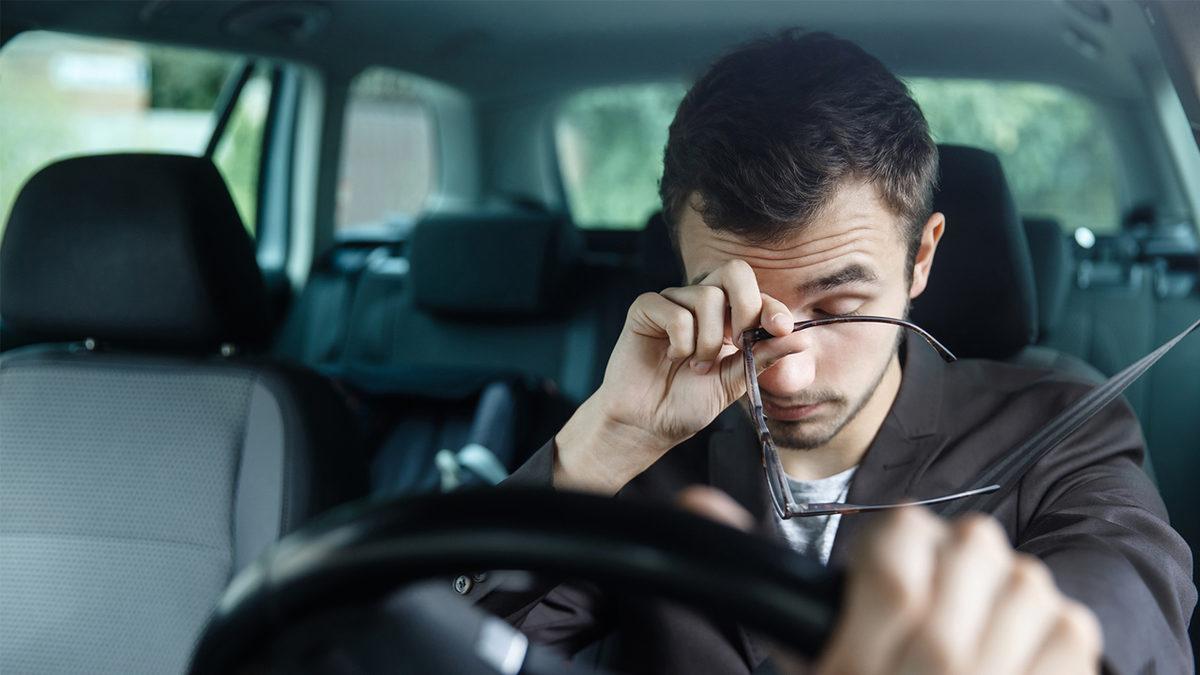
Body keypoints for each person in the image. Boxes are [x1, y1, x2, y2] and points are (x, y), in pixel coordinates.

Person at [465, 30, 1196, 674]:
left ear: (920, 258)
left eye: (839, 307)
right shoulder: (637, 460)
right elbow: (435, 646)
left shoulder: (1063, 429)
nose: (787, 370)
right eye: (744, 312)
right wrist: (603, 444)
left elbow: (1127, 626)